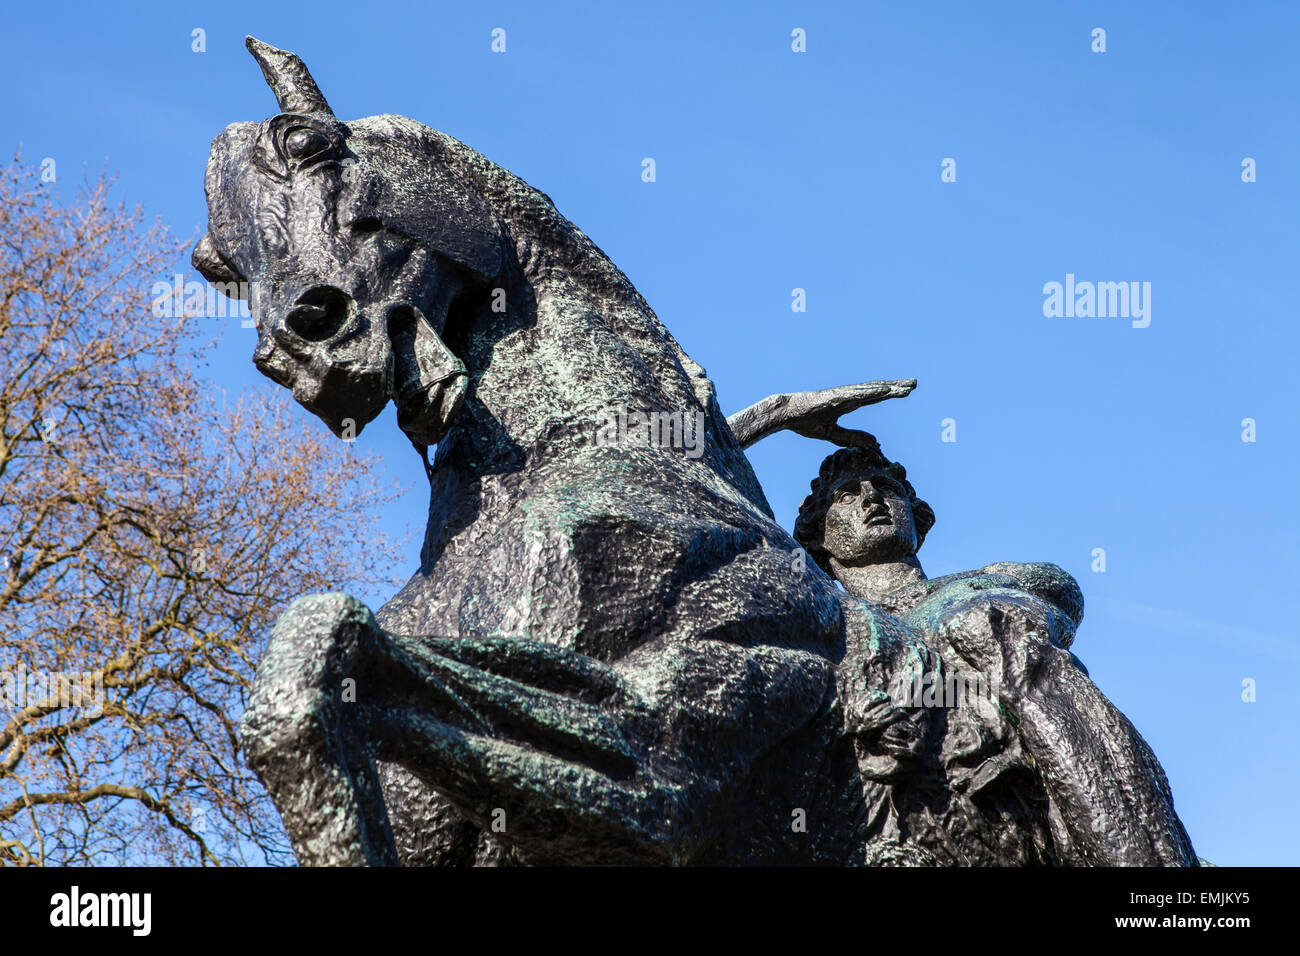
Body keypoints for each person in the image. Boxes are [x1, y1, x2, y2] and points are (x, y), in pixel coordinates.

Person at [793, 442, 1197, 866]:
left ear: (917, 517)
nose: (871, 498)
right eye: (847, 495)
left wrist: (980, 594)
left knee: (990, 625)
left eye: (886, 487)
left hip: (1028, 712)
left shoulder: (981, 589)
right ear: (819, 539)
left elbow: (1059, 591)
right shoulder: (829, 627)